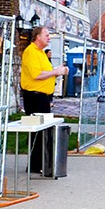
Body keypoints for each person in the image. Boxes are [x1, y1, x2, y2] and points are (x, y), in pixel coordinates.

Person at [20, 26, 69, 174]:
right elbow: (36, 75)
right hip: (34, 97)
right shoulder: (31, 52)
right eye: (46, 35)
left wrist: (58, 72)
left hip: (42, 97)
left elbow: (46, 73)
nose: (49, 38)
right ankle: (35, 164)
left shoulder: (41, 53)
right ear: (38, 37)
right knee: (37, 131)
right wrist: (55, 71)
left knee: (44, 130)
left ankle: (41, 162)